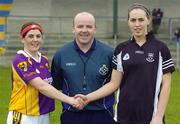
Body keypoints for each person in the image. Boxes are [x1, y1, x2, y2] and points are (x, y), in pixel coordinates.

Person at [76, 3, 175, 124]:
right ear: (128, 22)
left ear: (148, 20)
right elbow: (113, 84)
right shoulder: (121, 49)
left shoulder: (161, 48)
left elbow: (166, 85)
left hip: (151, 118)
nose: (137, 24)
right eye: (133, 20)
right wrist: (88, 98)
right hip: (123, 117)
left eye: (141, 20)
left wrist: (159, 116)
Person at [7, 22, 83, 124]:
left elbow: (51, 85)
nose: (35, 40)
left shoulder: (44, 60)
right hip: (24, 115)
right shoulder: (21, 60)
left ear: (42, 39)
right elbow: (42, 86)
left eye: (38, 36)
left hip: (43, 114)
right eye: (30, 36)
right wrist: (71, 100)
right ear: (22, 39)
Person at [51, 12, 115, 124]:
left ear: (95, 29)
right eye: (80, 26)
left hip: (102, 113)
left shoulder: (109, 53)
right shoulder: (61, 54)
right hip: (71, 114)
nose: (84, 30)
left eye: (89, 26)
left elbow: (114, 83)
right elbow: (57, 85)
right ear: (73, 29)